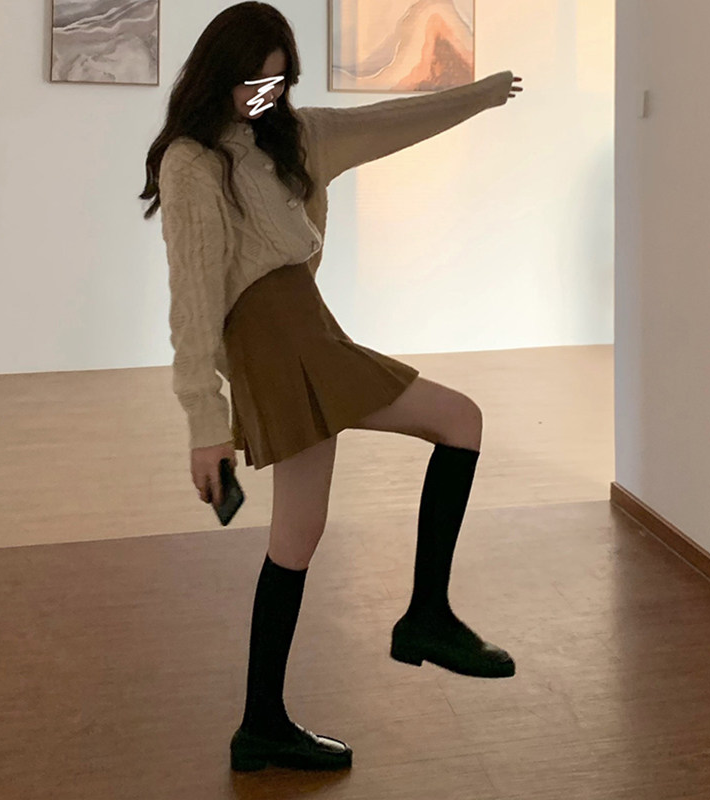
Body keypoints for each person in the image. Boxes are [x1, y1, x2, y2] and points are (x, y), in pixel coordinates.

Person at [140, 1, 523, 774]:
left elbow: (388, 122)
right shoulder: (193, 162)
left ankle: (263, 725)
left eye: (280, 82)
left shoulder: (297, 136)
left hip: (309, 333)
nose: (266, 97)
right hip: (279, 344)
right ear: (218, 73)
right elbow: (193, 302)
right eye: (254, 82)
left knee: (297, 536)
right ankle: (425, 619)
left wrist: (480, 95)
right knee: (459, 419)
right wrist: (205, 425)